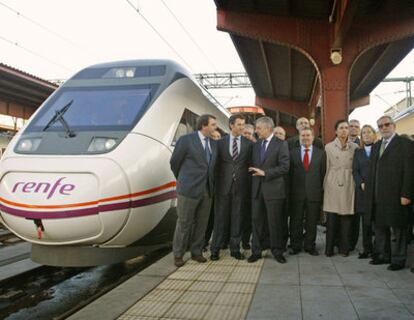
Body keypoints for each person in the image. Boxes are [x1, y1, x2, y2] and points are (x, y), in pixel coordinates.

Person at [365, 116, 414, 271]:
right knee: (380, 227)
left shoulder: (406, 144)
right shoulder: (377, 145)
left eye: (387, 124)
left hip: (396, 195)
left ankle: (398, 259)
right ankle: (382, 255)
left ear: (393, 126)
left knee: (398, 229)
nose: (384, 128)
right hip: (377, 195)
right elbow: (372, 171)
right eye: (380, 126)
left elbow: (410, 171)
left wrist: (406, 194)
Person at [170, 114, 218, 267]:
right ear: (204, 126)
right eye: (213, 125)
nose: (215, 128)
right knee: (184, 223)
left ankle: (196, 252)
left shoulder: (213, 143)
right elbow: (174, 162)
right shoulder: (186, 140)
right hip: (188, 190)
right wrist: (184, 180)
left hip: (207, 190)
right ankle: (178, 254)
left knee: (201, 224)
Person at [210, 114, 253, 261]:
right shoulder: (220, 143)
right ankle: (215, 249)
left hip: (241, 188)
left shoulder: (248, 144)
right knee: (220, 219)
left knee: (237, 219)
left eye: (243, 124)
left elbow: (250, 165)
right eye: (239, 124)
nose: (242, 127)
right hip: (222, 188)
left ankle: (235, 249)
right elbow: (214, 166)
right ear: (231, 125)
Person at [248, 117, 290, 263]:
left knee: (275, 222)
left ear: (268, 128)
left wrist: (265, 173)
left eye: (259, 128)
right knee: (256, 221)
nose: (256, 131)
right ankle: (256, 251)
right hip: (257, 190)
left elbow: (285, 167)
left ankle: (277, 251)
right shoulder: (256, 144)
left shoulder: (281, 144)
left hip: (274, 190)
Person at [323, 120, 358, 257]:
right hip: (333, 181)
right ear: (336, 131)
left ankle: (344, 248)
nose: (344, 130)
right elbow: (325, 167)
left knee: (346, 218)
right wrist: (324, 185)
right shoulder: (328, 147)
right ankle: (329, 248)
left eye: (346, 128)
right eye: (341, 128)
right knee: (331, 218)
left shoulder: (355, 147)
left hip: (349, 182)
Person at [289, 127, 326, 256]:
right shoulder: (292, 153)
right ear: (299, 137)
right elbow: (289, 175)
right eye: (303, 135)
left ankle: (310, 246)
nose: (305, 137)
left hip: (314, 194)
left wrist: (321, 194)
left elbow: (322, 175)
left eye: (308, 135)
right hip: (296, 194)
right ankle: (295, 246)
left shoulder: (321, 153)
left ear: (313, 137)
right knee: (296, 221)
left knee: (311, 222)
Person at [351, 124, 377, 258]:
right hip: (362, 191)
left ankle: (379, 250)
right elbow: (355, 170)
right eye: (364, 133)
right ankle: (366, 249)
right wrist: (360, 182)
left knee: (377, 223)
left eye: (369, 132)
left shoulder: (379, 149)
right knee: (365, 222)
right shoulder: (358, 152)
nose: (366, 134)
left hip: (377, 191)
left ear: (374, 134)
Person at [203, 130, 222, 251]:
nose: (216, 139)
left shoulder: (223, 152)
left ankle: (215, 242)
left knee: (216, 218)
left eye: (218, 137)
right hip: (206, 190)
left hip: (220, 190)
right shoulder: (206, 151)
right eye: (213, 136)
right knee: (205, 218)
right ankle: (203, 242)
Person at [241, 123, 256, 249]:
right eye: (245, 133)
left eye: (249, 134)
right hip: (235, 187)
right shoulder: (234, 145)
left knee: (247, 216)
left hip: (250, 188)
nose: (247, 135)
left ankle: (245, 241)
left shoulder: (255, 147)